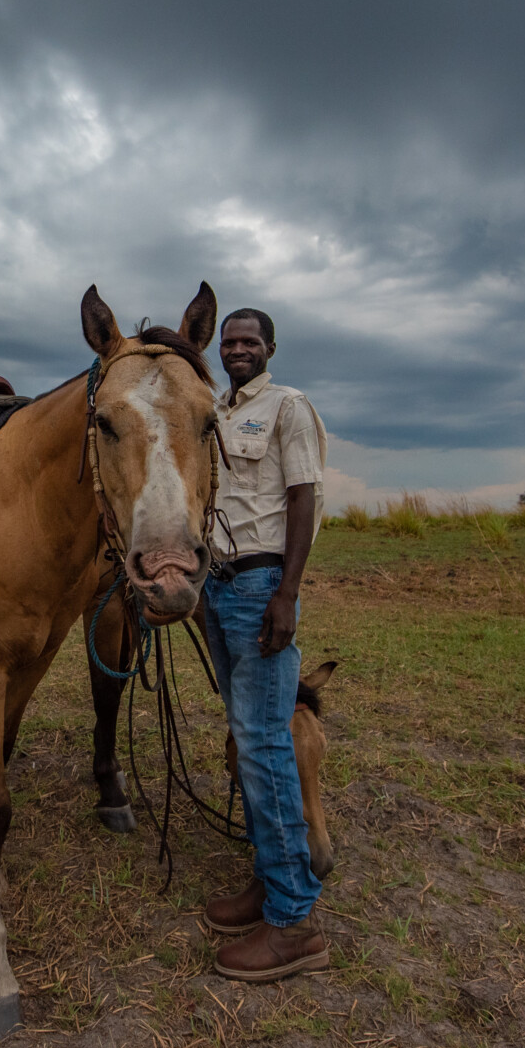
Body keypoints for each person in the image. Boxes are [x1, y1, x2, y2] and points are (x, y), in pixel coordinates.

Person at [201, 307, 329, 981]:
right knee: (246, 738)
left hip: (259, 586)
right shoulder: (217, 412)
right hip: (217, 587)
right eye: (230, 341)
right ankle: (266, 880)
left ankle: (293, 921)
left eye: (250, 340)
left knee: (266, 743)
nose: (238, 348)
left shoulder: (288, 407)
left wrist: (287, 592)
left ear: (270, 348)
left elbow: (304, 498)